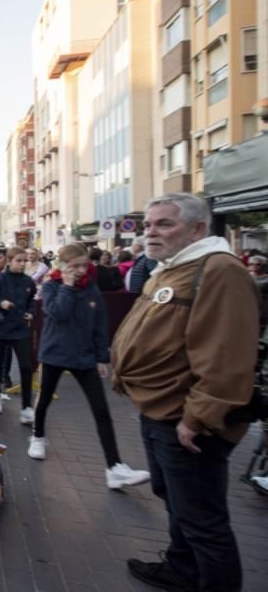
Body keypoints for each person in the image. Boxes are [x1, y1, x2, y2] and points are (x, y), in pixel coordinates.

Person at [111, 193, 259, 592]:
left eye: (164, 224)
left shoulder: (219, 271)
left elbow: (226, 354)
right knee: (177, 501)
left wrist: (198, 417)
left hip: (185, 418)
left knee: (202, 519)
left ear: (197, 228)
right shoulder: (171, 268)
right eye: (148, 225)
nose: (151, 232)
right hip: (159, 410)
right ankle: (182, 569)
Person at [27, 244, 151, 489]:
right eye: (74, 266)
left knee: (101, 410)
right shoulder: (52, 286)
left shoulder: (92, 290)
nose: (81, 270)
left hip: (83, 357)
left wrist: (101, 357)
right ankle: (38, 436)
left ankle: (114, 467)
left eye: (84, 265)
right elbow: (57, 313)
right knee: (43, 401)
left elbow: (100, 323)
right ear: (62, 266)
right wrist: (68, 286)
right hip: (54, 354)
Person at [0, 247, 36, 419]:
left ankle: (26, 407)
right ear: (9, 261)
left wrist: (31, 312)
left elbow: (31, 301)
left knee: (26, 367)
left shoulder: (28, 282)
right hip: (1, 329)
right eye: (19, 260)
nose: (22, 264)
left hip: (21, 329)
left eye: (24, 261)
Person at [249, 254, 268, 334]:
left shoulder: (266, 278)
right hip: (250, 305)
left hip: (264, 307)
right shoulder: (247, 276)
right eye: (252, 264)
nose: (255, 266)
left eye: (258, 264)